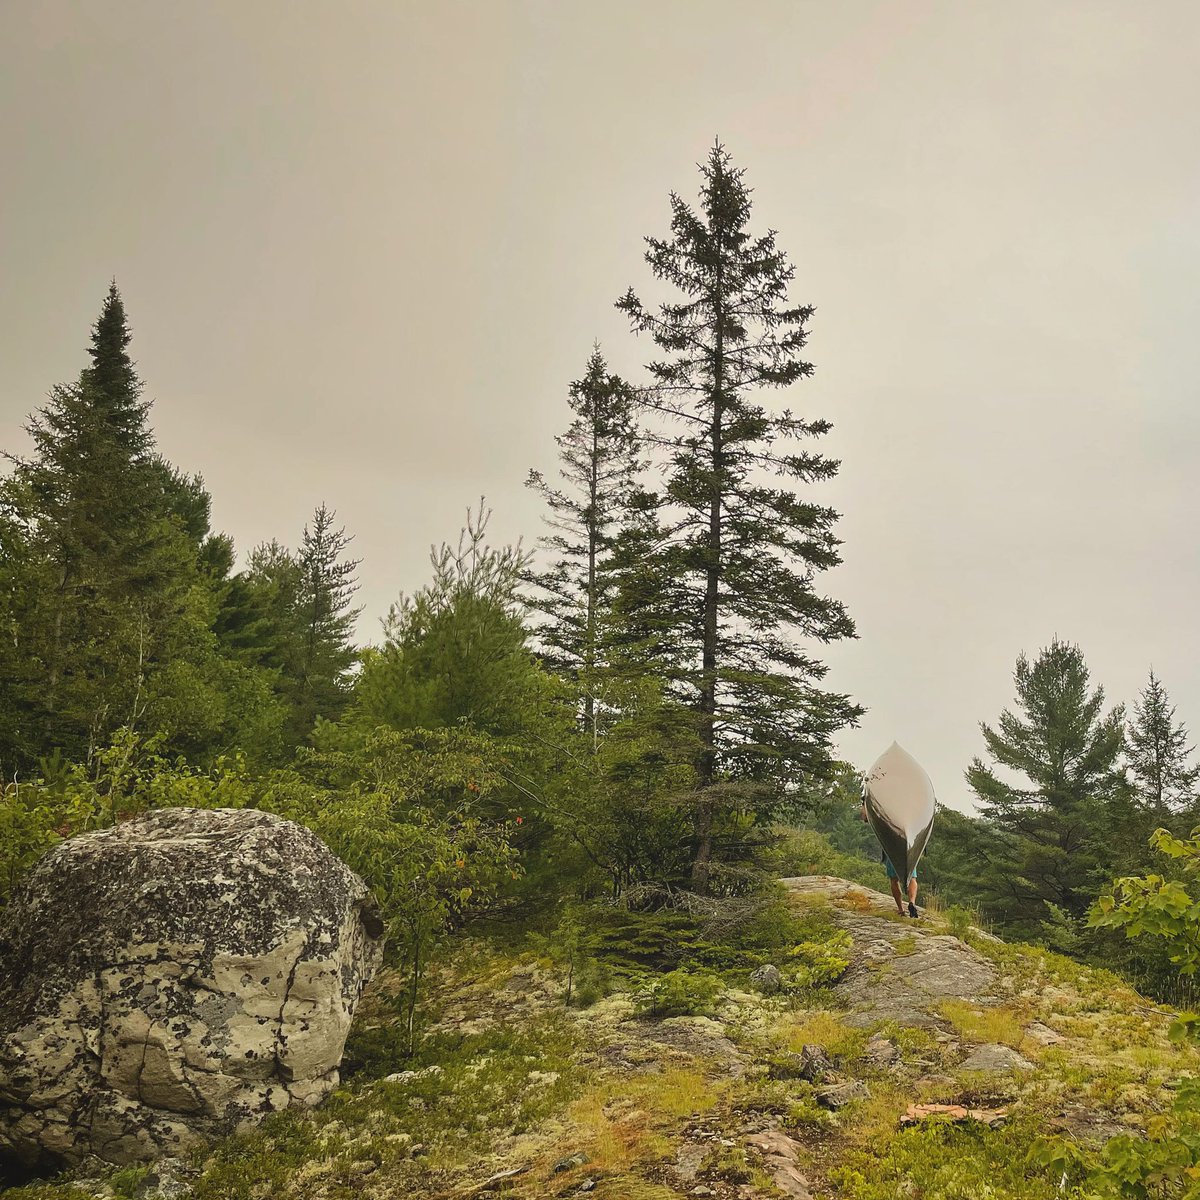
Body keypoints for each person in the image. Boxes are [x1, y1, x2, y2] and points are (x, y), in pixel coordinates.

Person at [860, 797, 920, 919]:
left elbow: (866, 818)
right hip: (907, 844)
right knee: (912, 877)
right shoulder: (906, 809)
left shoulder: (884, 808)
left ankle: (901, 910)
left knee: (894, 879)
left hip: (891, 846)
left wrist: (866, 802)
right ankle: (912, 902)